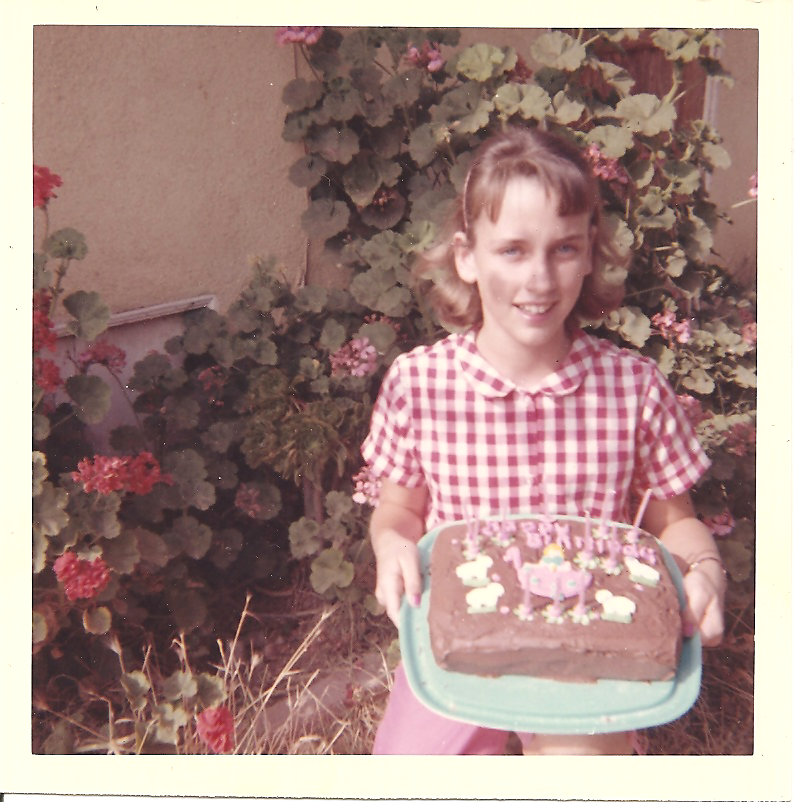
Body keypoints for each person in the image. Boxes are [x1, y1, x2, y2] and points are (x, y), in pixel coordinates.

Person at [361, 126, 726, 755]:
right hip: (460, 642)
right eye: (512, 250)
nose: (539, 279)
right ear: (467, 256)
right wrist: (390, 543)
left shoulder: (633, 387)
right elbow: (399, 509)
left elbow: (675, 522)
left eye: (563, 249)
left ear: (589, 255)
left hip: (586, 654)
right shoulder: (419, 384)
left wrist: (705, 571)